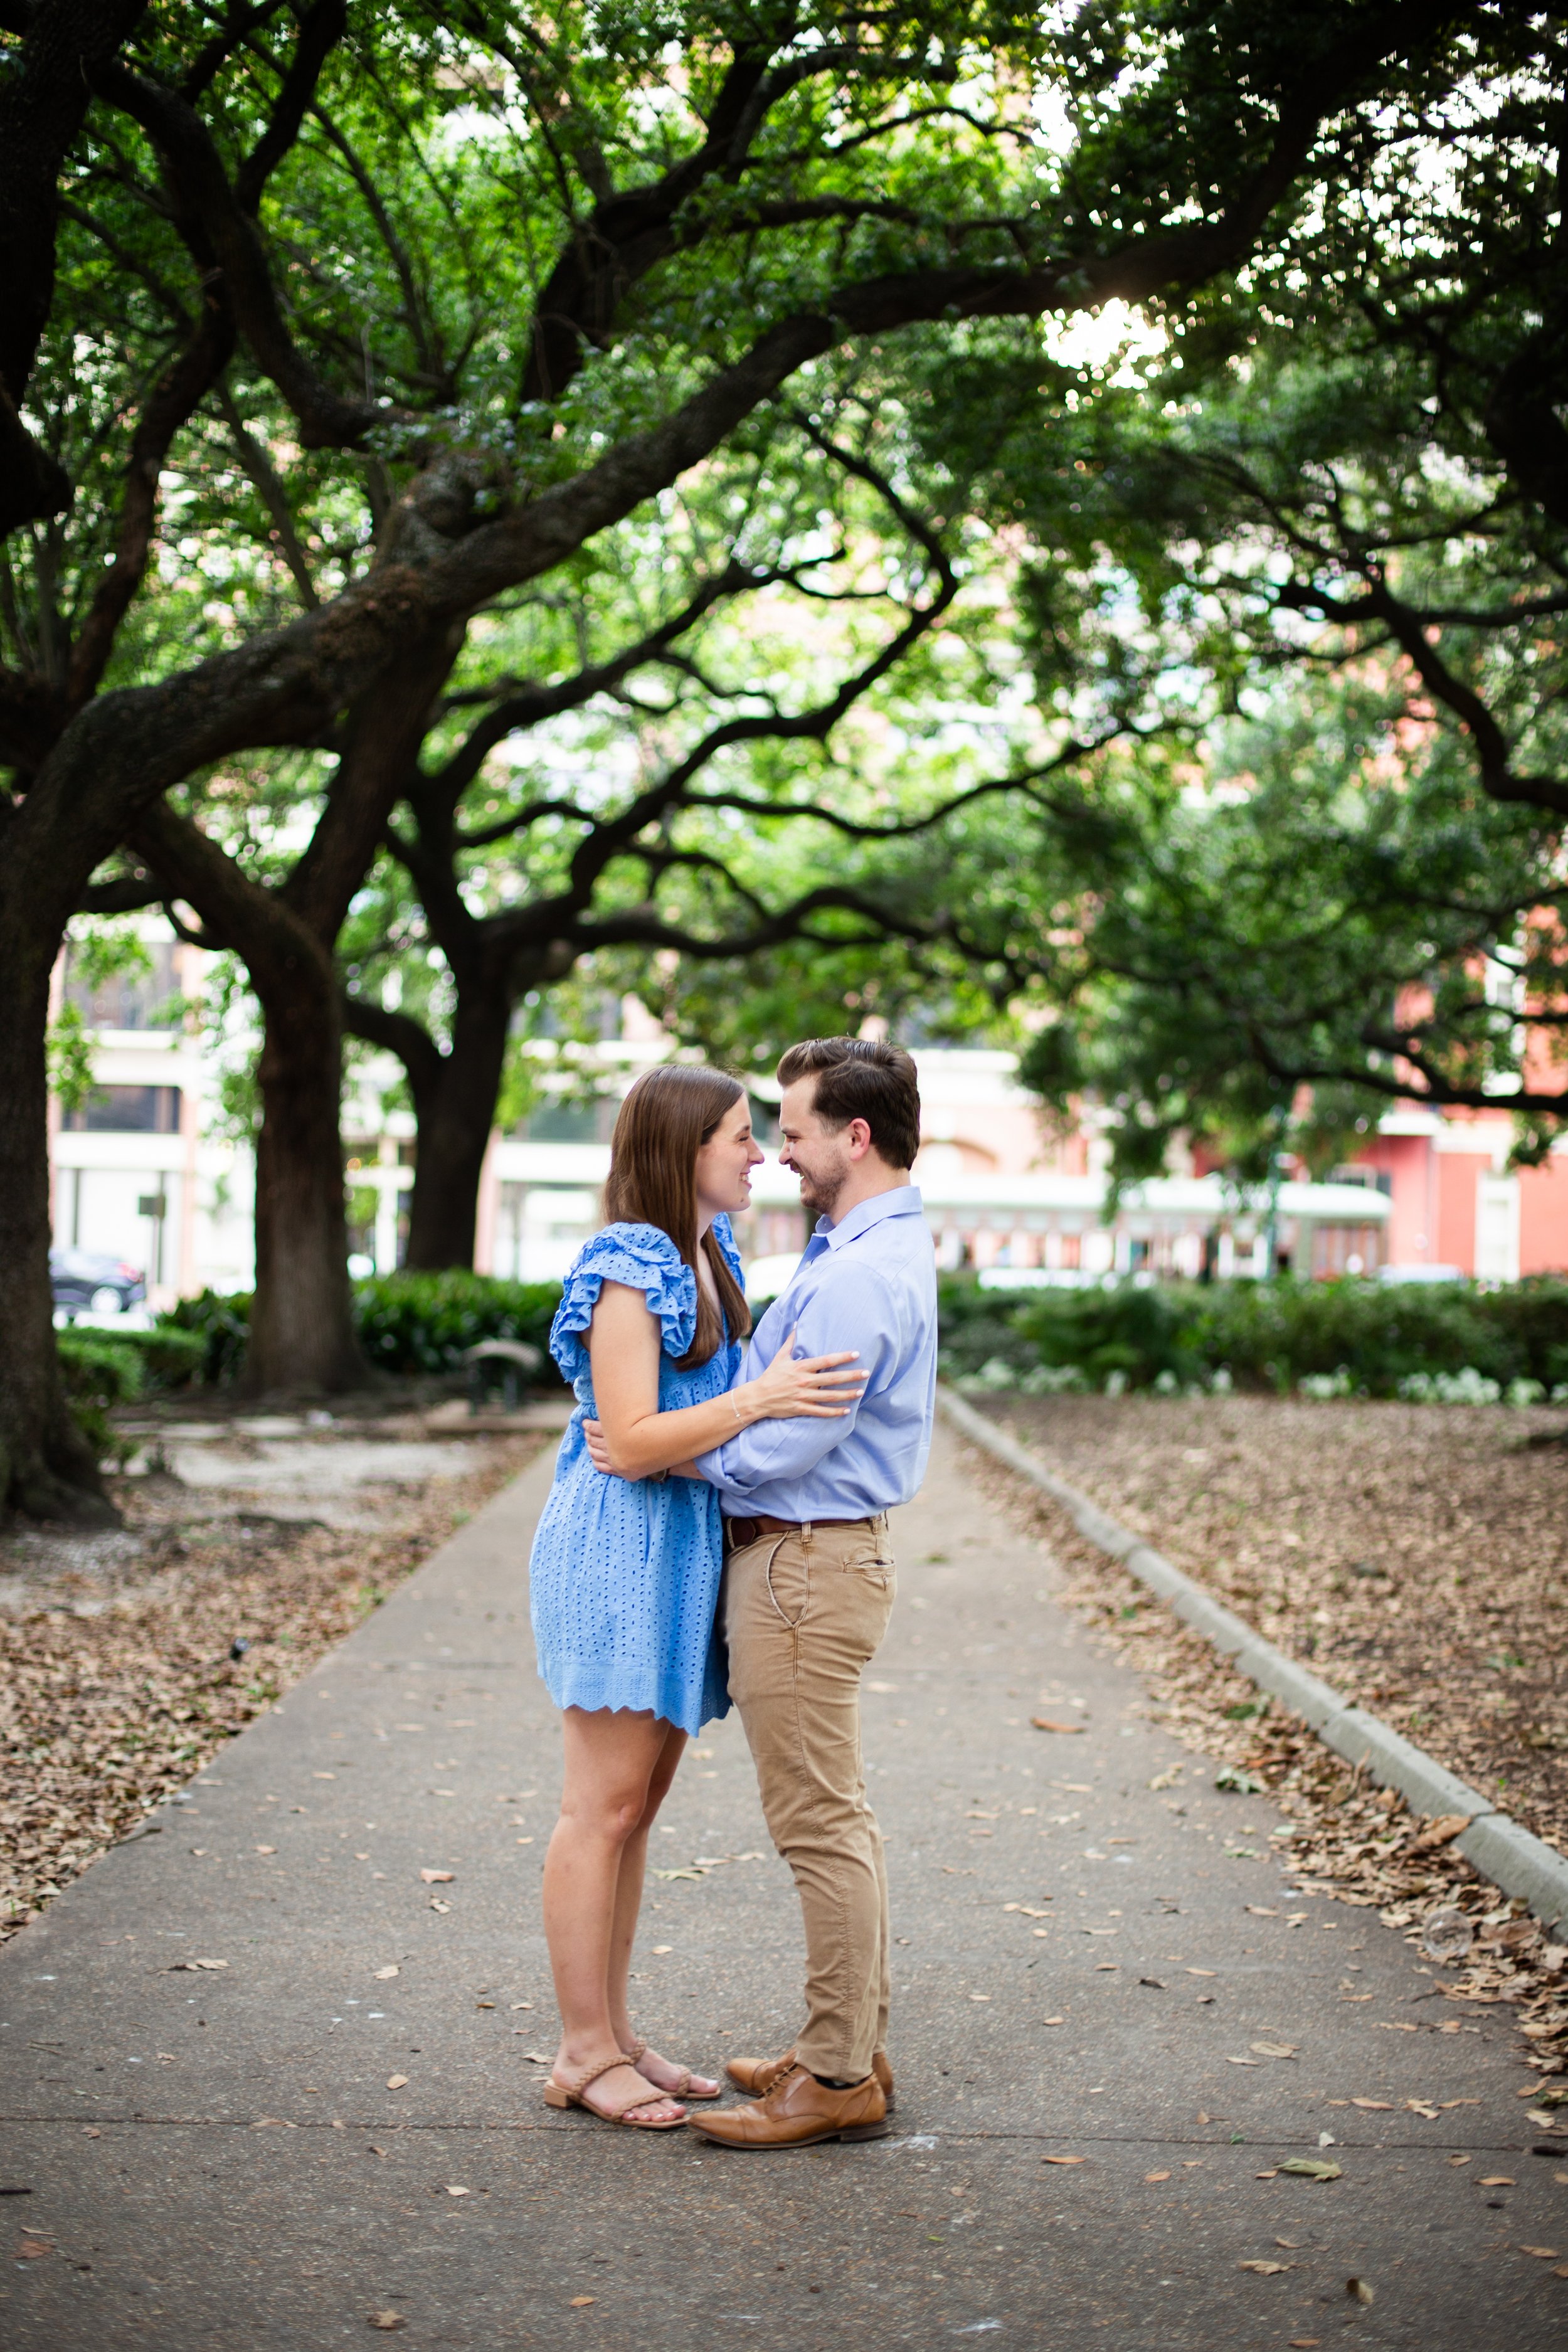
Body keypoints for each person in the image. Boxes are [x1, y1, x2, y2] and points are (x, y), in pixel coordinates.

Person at [585, 1036, 938, 2150]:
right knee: (839, 1816)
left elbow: (787, 1441)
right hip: (816, 1558)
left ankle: (835, 2077)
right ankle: (847, 2044)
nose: (779, 1153)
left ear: (855, 1135)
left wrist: (671, 1455)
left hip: (802, 1559)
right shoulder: (863, 1248)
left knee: (819, 1824)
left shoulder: (857, 1272)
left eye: (789, 1130)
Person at [529, 1062, 866, 2132]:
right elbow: (626, 1440)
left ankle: (616, 2033)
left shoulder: (705, 1253)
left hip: (677, 1553)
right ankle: (583, 2051)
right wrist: (760, 1398)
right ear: (683, 1151)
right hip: (617, 1552)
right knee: (601, 1808)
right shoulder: (630, 1263)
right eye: (737, 1135)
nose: (759, 1151)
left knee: (638, 1810)